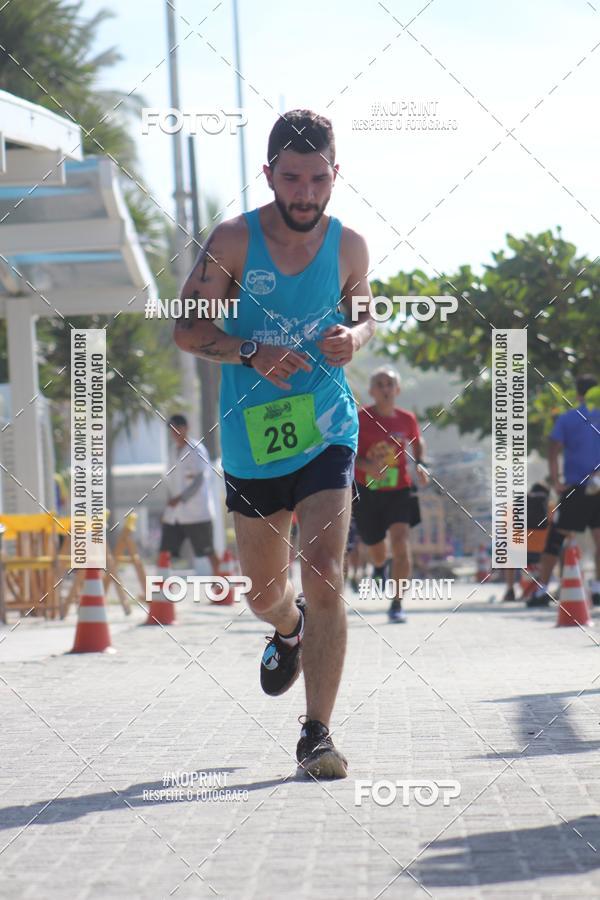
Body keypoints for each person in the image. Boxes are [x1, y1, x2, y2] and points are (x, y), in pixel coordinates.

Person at [174, 109, 375, 779]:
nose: (306, 193)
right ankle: (285, 629)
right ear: (269, 175)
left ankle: (316, 734)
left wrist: (357, 339)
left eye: (318, 178)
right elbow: (186, 331)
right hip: (253, 442)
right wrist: (250, 350)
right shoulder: (232, 242)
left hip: (326, 428)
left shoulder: (350, 247)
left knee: (323, 571)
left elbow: (364, 310)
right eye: (292, 178)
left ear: (335, 176)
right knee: (265, 591)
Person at [353, 367, 429, 622]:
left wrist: (421, 463)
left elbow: (418, 441)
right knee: (375, 547)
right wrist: (367, 466)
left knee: (400, 541)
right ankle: (377, 566)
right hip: (367, 491)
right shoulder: (360, 418)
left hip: (400, 490)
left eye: (390, 384)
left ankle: (397, 603)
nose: (385, 389)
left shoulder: (406, 419)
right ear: (372, 391)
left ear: (397, 390)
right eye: (380, 384)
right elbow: (346, 451)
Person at [527, 375, 600, 607]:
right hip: (598, 485)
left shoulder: (568, 418)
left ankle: (542, 591)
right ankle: (598, 588)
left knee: (557, 537)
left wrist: (557, 480)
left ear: (577, 394)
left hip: (575, 487)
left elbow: (553, 448)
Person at [160, 414, 219, 577]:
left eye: (176, 428)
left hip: (197, 512)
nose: (174, 433)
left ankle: (223, 584)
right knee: (165, 551)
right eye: (171, 430)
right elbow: (170, 480)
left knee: (208, 551)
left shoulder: (197, 449)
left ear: (185, 428)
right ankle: (161, 588)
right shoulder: (172, 451)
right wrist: (170, 503)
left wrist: (180, 499)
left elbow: (199, 480)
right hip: (175, 514)